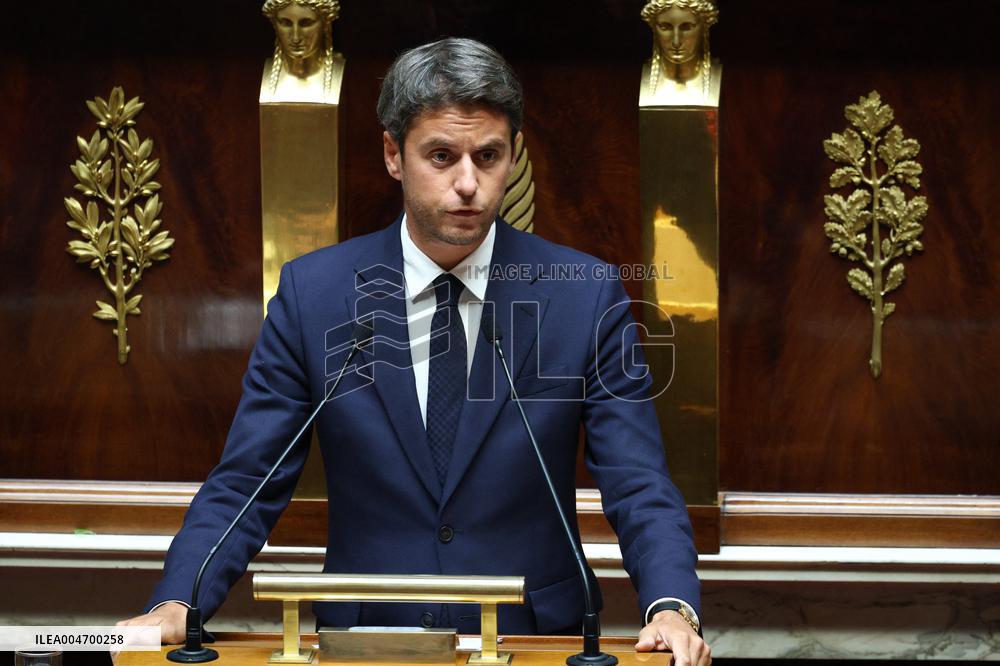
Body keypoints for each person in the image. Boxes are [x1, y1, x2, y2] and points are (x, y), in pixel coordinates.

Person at [119, 37, 711, 665]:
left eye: (488, 156)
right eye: (441, 155)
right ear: (392, 155)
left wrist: (672, 604)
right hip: (366, 640)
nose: (468, 184)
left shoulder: (584, 296)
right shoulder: (314, 295)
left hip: (533, 636)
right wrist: (177, 602)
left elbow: (637, 480)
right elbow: (249, 478)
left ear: (513, 156)